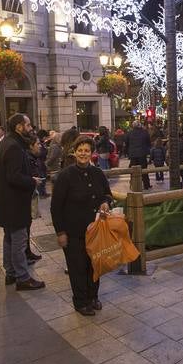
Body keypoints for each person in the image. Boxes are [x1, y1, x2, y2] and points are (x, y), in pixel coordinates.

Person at [51, 134, 115, 315]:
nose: (83, 154)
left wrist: (106, 202)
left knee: (94, 265)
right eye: (80, 150)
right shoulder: (65, 176)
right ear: (74, 152)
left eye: (87, 151)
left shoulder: (97, 173)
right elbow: (56, 207)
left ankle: (93, 296)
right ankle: (80, 301)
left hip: (95, 231)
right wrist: (60, 232)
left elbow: (107, 194)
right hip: (73, 232)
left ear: (92, 153)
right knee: (77, 267)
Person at [0, 113, 45, 290]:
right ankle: (22, 277)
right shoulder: (14, 146)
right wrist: (32, 181)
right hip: (14, 202)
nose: (31, 128)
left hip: (7, 201)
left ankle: (11, 273)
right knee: (18, 240)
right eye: (28, 124)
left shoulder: (7, 143)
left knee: (9, 238)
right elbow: (14, 176)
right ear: (19, 127)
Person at [125, 120, 151, 189]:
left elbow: (126, 143)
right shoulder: (144, 132)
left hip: (133, 154)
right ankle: (146, 184)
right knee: (144, 170)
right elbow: (148, 142)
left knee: (133, 170)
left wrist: (128, 153)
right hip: (142, 154)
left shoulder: (129, 133)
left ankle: (133, 184)